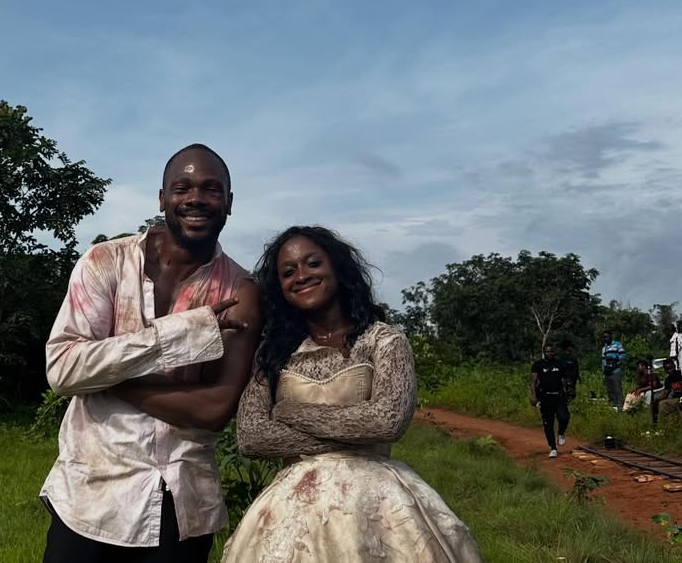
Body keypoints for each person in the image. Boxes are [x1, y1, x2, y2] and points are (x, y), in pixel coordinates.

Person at [40, 144, 262, 562]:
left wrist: (106, 379)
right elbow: (63, 369)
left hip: (182, 503)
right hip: (91, 493)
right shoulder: (105, 262)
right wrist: (183, 332)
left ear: (229, 204)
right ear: (162, 198)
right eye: (183, 187)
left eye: (212, 189)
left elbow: (215, 409)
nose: (196, 198)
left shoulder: (240, 291)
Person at [221, 226, 481, 563]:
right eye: (288, 272)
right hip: (293, 509)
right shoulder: (271, 354)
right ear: (280, 289)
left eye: (312, 264)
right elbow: (252, 437)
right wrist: (355, 432)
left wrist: (289, 412)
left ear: (338, 268)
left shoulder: (384, 341)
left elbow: (386, 422)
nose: (301, 276)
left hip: (377, 505)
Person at [531, 343, 569, 458]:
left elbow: (564, 379)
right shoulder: (538, 365)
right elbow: (533, 381)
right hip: (545, 397)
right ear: (544, 352)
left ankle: (561, 433)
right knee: (548, 423)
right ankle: (553, 448)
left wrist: (567, 388)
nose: (549, 354)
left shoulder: (559, 363)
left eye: (551, 351)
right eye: (547, 352)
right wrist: (533, 396)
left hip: (558, 396)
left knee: (564, 417)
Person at [654, 358, 682, 426]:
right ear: (665, 370)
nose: (670, 371)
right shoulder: (668, 380)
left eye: (671, 368)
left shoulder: (681, 374)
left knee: (680, 403)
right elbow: (666, 393)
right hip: (676, 398)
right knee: (661, 404)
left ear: (674, 366)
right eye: (667, 369)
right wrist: (657, 400)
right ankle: (662, 426)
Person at [600, 331, 627, 411]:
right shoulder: (604, 348)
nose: (606, 338)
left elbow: (623, 355)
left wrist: (615, 359)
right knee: (610, 390)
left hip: (616, 370)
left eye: (607, 337)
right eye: (604, 337)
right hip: (607, 371)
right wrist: (603, 371)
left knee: (617, 389)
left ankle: (620, 407)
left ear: (611, 336)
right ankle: (613, 406)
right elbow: (603, 360)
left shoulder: (617, 344)